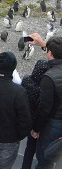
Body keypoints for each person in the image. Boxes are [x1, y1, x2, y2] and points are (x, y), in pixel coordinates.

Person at [28, 34, 62, 168]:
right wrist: (44, 45)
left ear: (50, 53)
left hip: (53, 124)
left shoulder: (49, 77)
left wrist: (36, 129)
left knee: (45, 157)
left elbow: (44, 108)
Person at [21, 59, 50, 169]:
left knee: (29, 148)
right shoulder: (44, 88)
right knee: (41, 151)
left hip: (27, 118)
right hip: (39, 121)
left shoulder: (26, 80)